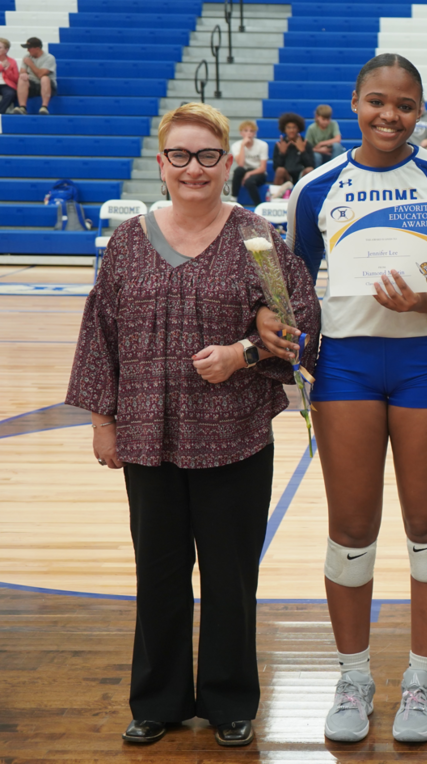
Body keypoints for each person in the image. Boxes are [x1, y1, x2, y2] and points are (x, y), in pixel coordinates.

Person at [65, 102, 320, 749]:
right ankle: (159, 700)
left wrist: (245, 354)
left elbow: (299, 325)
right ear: (162, 163)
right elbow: (101, 331)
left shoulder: (256, 239)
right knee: (158, 572)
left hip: (234, 438)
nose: (193, 168)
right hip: (148, 437)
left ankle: (231, 701)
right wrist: (103, 420)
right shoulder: (128, 241)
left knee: (231, 578)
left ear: (228, 163)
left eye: (207, 156)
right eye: (180, 155)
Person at [274, 53, 427, 745]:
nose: (389, 115)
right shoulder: (315, 187)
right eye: (377, 101)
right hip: (344, 367)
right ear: (354, 102)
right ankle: (353, 677)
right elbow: (291, 289)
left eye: (404, 106)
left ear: (420, 111)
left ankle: (422, 680)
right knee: (350, 529)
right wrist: (286, 333)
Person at [271, 111, 315, 192]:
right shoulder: (280, 144)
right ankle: (275, 198)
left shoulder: (305, 144)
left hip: (301, 177)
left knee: (309, 170)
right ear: (284, 129)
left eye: (294, 127)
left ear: (298, 129)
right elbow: (276, 167)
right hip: (286, 177)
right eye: (288, 127)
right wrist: (282, 154)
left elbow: (311, 165)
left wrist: (303, 151)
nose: (291, 130)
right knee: (280, 170)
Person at [12, 36, 56, 115]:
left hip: (47, 85)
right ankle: (22, 107)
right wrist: (23, 74)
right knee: (22, 78)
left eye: (30, 48)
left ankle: (44, 107)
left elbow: (40, 74)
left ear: (37, 48)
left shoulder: (49, 58)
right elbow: (22, 71)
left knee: (44, 78)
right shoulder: (26, 57)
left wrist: (30, 64)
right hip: (32, 84)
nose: (28, 50)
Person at [230, 119, 269, 203]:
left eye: (251, 131)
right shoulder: (236, 145)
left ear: (255, 133)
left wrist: (249, 174)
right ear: (241, 133)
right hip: (244, 170)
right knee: (238, 170)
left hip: (258, 172)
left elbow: (263, 168)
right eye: (246, 130)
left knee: (249, 182)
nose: (249, 133)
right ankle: (234, 197)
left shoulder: (263, 145)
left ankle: (258, 204)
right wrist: (243, 146)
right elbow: (240, 164)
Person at [0, 38, 18, 115]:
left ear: (6, 50)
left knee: (10, 94)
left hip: (6, 85)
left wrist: (8, 71)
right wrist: (2, 67)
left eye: (0, 47)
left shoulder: (12, 61)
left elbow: (16, 78)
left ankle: (1, 112)